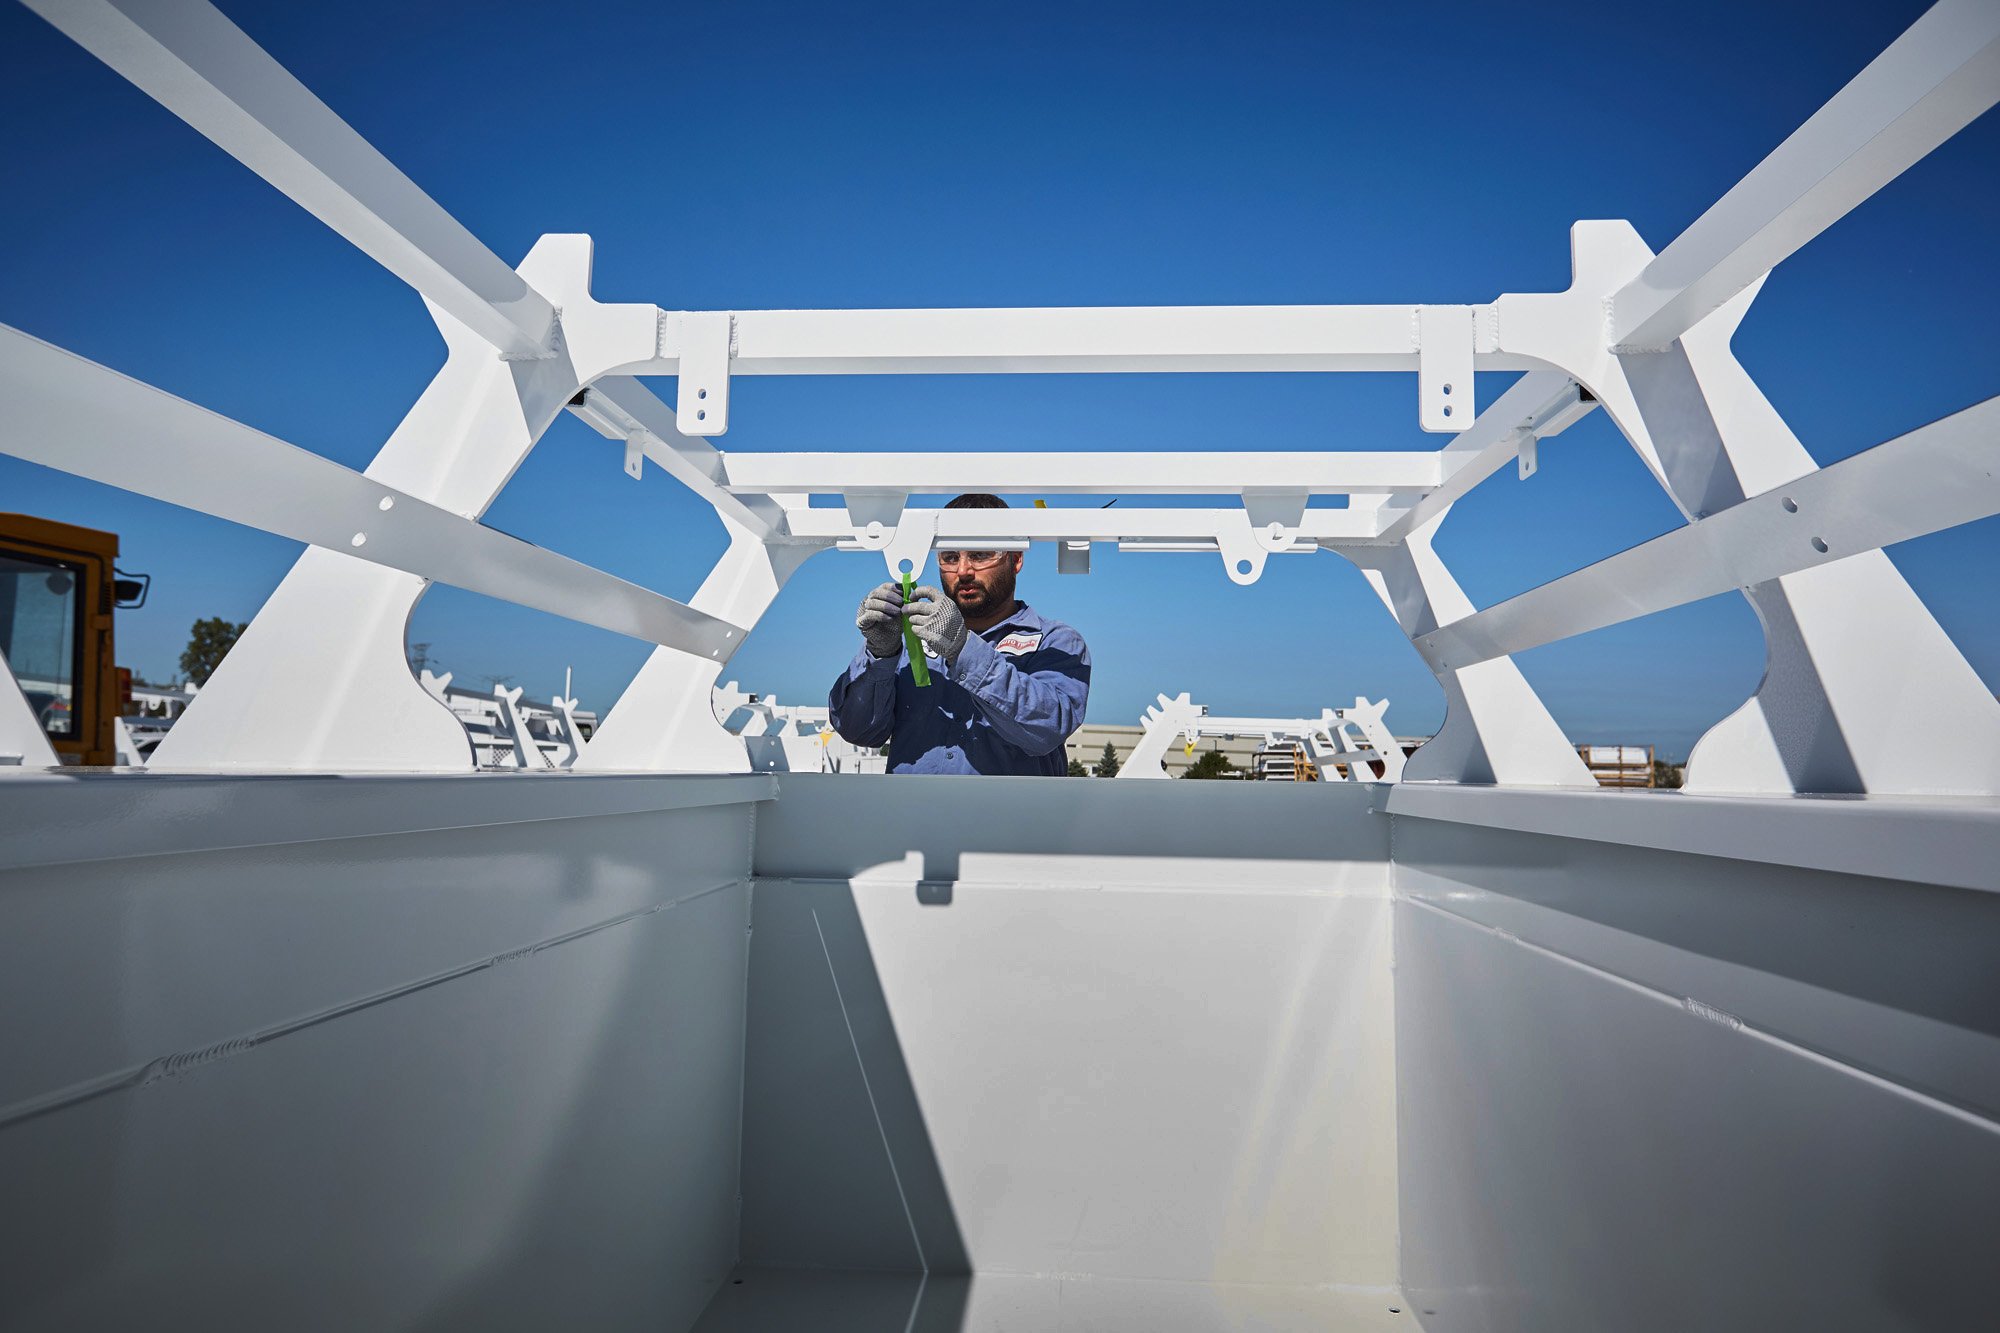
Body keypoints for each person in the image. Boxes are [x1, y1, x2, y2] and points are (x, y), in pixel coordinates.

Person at [828, 494, 1090, 775]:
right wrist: (880, 654)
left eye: (980, 554)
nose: (963, 570)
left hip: (1011, 820)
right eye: (950, 557)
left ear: (1016, 559)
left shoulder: (1056, 642)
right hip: (913, 818)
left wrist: (962, 650)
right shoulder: (910, 643)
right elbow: (858, 732)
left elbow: (1047, 730)